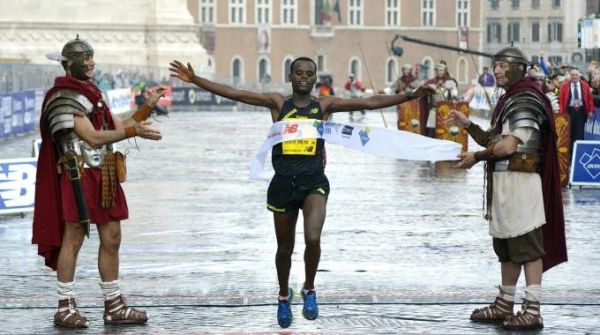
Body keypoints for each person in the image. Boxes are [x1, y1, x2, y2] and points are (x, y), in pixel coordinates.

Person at [168, 57, 431, 329]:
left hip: (313, 181)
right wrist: (195, 80)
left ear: (315, 78)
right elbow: (236, 93)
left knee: (313, 238)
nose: (304, 77)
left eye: (309, 74)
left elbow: (368, 103)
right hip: (283, 185)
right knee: (285, 249)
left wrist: (410, 95)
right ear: (291, 76)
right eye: (299, 73)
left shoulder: (324, 106)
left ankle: (309, 289)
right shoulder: (278, 104)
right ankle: (284, 295)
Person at [32, 36, 165, 328]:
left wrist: (146, 107)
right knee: (74, 237)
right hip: (78, 174)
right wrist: (134, 133)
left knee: (113, 236)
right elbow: (91, 137)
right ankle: (65, 305)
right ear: (69, 64)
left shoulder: (93, 92)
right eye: (85, 59)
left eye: (92, 57)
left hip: (103, 172)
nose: (92, 62)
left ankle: (113, 304)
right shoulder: (63, 96)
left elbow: (117, 125)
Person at [445, 45, 567, 330]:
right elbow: (493, 140)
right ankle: (504, 303)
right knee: (506, 245)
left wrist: (476, 157)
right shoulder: (510, 98)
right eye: (495, 65)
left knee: (527, 246)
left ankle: (533, 308)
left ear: (519, 69)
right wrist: (468, 125)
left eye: (502, 65)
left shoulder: (525, 98)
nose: (496, 70)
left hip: (521, 183)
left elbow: (508, 146)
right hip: (505, 183)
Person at [558, 68, 594, 154]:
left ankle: (578, 152)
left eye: (576, 75)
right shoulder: (564, 86)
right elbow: (561, 100)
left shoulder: (585, 85)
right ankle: (570, 155)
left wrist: (590, 110)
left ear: (579, 76)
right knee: (569, 132)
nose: (574, 77)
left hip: (581, 111)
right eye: (573, 75)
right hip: (569, 111)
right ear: (570, 76)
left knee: (579, 132)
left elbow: (590, 99)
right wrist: (562, 113)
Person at [424, 63, 458, 137]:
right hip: (434, 108)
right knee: (431, 129)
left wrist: (454, 96)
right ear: (436, 71)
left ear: (444, 71)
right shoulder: (431, 82)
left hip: (446, 109)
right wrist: (436, 86)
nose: (440, 72)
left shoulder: (450, 81)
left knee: (445, 128)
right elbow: (426, 90)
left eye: (441, 70)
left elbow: (454, 91)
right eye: (438, 70)